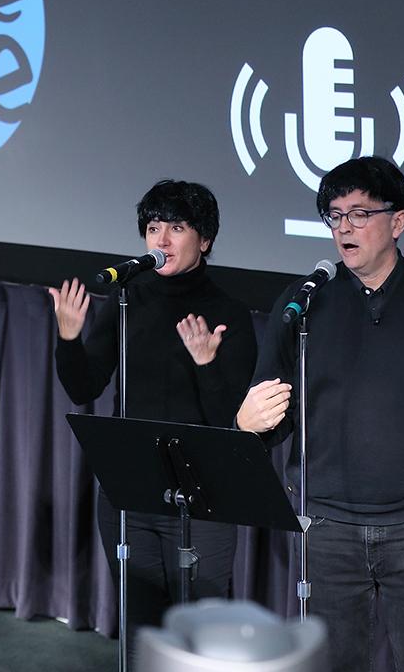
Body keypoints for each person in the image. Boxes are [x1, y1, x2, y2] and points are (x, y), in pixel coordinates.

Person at [236, 156, 404, 672]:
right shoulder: (304, 304)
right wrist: (248, 425)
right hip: (324, 525)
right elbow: (271, 413)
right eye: (334, 215)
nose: (344, 228)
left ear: (398, 221)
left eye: (359, 214)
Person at [50, 179, 257, 635]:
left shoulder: (228, 313)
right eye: (153, 227)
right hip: (132, 489)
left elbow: (232, 422)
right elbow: (83, 384)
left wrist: (206, 363)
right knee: (142, 625)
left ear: (205, 240)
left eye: (177, 228)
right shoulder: (129, 299)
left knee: (203, 629)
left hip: (203, 497)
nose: (161, 240)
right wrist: (68, 338)